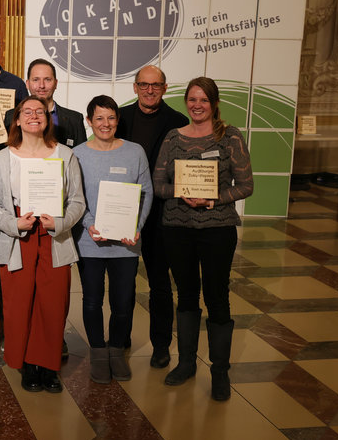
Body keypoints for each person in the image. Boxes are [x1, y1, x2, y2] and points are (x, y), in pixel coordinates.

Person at [153, 76, 253, 401]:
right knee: (185, 295)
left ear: (214, 103)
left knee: (217, 296)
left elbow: (246, 185)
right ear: (186, 102)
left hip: (217, 229)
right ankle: (186, 364)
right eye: (193, 99)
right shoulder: (173, 138)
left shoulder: (230, 137)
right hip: (177, 227)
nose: (197, 106)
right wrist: (179, 192)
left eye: (204, 100)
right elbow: (157, 184)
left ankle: (220, 371)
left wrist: (214, 199)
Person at [0, 95, 85, 394]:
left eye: (40, 112)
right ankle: (27, 365)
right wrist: (13, 224)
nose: (34, 115)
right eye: (27, 111)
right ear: (17, 119)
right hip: (17, 237)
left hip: (53, 237)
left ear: (48, 119)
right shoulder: (2, 158)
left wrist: (59, 223)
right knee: (19, 304)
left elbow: (77, 201)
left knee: (53, 304)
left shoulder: (65, 155)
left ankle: (48, 365)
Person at [73, 95, 152, 384]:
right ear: (89, 121)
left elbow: (146, 192)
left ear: (118, 120)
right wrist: (89, 224)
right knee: (92, 301)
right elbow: (74, 197)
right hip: (90, 242)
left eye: (110, 118)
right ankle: (97, 352)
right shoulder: (77, 154)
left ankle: (116, 350)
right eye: (99, 118)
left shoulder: (134, 151)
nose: (105, 124)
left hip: (126, 243)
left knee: (123, 301)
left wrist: (137, 225)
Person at [116, 65, 188, 368]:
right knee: (124, 281)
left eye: (155, 85)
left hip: (161, 213)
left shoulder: (179, 122)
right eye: (144, 85)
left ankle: (161, 345)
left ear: (165, 88)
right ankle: (121, 338)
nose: (149, 90)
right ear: (135, 87)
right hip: (123, 209)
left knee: (159, 282)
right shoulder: (120, 118)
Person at [4, 59, 87, 149]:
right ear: (27, 84)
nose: (42, 86)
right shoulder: (11, 117)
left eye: (47, 80)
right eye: (36, 80)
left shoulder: (75, 119)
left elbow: (81, 155)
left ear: (56, 83)